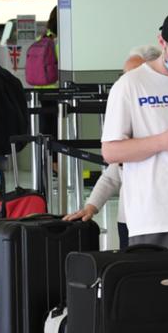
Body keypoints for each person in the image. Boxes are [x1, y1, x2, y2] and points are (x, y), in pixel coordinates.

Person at [100, 9, 168, 249]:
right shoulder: (130, 85)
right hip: (153, 218)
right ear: (162, 42)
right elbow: (110, 152)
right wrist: (163, 142)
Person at [64, 45, 162, 248]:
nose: (127, 81)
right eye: (124, 75)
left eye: (134, 74)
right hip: (129, 220)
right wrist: (91, 207)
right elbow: (113, 174)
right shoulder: (125, 121)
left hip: (161, 220)